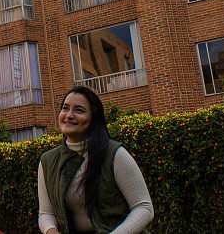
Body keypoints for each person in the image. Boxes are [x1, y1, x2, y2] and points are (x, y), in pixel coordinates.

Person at [37, 86, 154, 234]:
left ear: (93, 118)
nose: (69, 115)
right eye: (65, 108)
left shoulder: (115, 154)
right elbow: (46, 214)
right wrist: (51, 231)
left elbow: (144, 208)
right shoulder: (47, 161)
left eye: (79, 110)